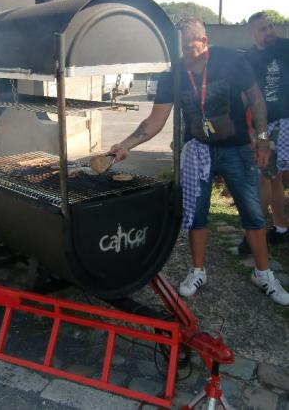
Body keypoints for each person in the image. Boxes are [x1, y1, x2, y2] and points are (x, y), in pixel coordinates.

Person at [109, 17, 289, 306]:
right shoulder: (174, 74)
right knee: (197, 214)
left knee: (253, 214)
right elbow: (154, 121)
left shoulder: (230, 60)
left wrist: (264, 138)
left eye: (187, 47)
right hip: (198, 149)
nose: (181, 55)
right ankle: (197, 270)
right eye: (177, 48)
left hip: (237, 149)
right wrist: (126, 145)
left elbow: (256, 97)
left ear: (203, 42)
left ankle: (263, 274)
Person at [238, 12, 289, 254]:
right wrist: (244, 125)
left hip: (282, 123)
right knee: (274, 177)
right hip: (262, 125)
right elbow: (244, 95)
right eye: (263, 29)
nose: (269, 32)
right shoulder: (247, 58)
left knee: (265, 177)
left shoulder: (286, 48)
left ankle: (253, 236)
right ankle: (281, 230)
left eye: (270, 27)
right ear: (252, 33)